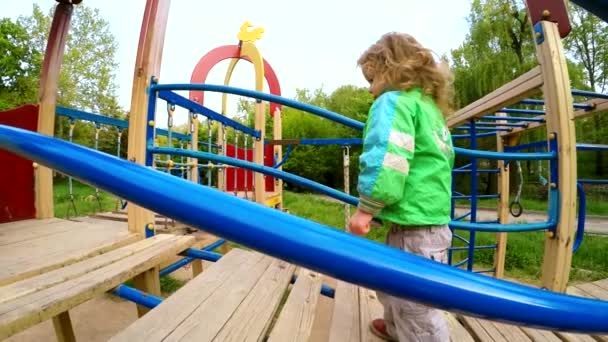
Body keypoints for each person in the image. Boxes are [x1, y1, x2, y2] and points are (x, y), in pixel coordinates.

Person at [349, 32, 455, 342]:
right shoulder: (429, 109)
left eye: (373, 79)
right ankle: (396, 328)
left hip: (415, 228)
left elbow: (387, 159)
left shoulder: (392, 103)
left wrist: (366, 209)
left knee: (417, 305)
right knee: (393, 284)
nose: (370, 89)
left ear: (392, 70)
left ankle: (414, 333)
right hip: (427, 221)